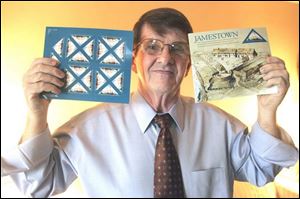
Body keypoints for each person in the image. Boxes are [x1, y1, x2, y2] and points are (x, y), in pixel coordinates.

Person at [1, 7, 298, 198]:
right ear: (133, 60)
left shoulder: (219, 124)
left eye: (177, 48)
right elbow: (38, 184)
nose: (165, 58)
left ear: (190, 63)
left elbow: (262, 170)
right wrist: (36, 115)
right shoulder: (87, 128)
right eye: (152, 46)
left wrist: (268, 110)